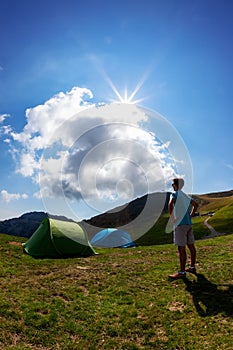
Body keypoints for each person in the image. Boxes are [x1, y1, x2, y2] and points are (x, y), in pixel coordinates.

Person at [168, 178, 199, 279]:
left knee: (181, 249)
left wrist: (173, 219)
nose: (172, 186)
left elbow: (170, 204)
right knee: (191, 246)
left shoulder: (174, 194)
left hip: (180, 225)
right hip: (188, 224)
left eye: (173, 184)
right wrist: (191, 215)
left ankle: (181, 272)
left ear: (175, 185)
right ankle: (192, 267)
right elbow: (196, 204)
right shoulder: (185, 196)